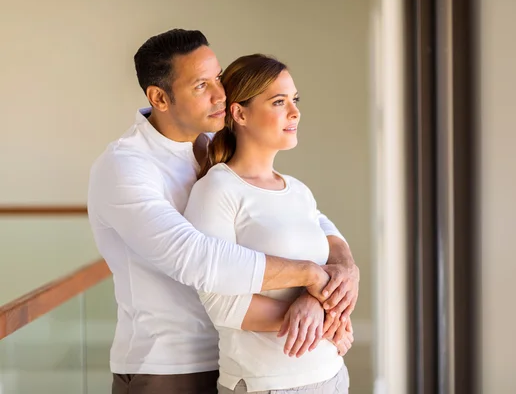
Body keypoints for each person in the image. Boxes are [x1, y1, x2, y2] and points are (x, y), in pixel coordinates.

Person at [87, 28, 359, 394]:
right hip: (171, 366)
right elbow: (196, 258)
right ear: (159, 98)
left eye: (217, 78)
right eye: (201, 85)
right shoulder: (126, 166)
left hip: (239, 357)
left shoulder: (217, 143)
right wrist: (313, 280)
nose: (220, 93)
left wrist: (343, 269)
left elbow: (303, 213)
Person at [184, 54, 353, 394]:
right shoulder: (217, 189)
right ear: (240, 113)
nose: (295, 112)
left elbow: (332, 244)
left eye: (295, 100)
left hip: (332, 373)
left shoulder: (298, 190)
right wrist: (324, 317)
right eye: (279, 101)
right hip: (266, 384)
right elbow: (222, 304)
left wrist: (318, 298)